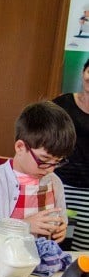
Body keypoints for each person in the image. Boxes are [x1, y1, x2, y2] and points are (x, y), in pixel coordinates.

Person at [0, 101, 76, 249]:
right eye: (43, 160)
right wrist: (23, 226)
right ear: (20, 147)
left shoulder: (54, 182)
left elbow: (61, 222)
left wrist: (61, 230)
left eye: (57, 162)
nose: (50, 169)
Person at [53, 59, 89, 250]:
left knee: (84, 252)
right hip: (62, 186)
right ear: (83, 72)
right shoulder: (63, 104)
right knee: (60, 245)